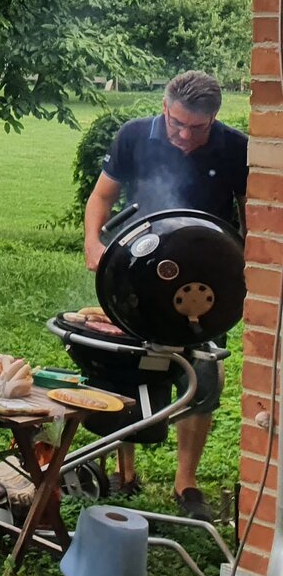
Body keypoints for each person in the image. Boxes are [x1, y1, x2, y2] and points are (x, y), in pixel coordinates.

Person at [82, 70, 249, 521]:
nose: (185, 136)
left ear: (214, 118)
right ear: (164, 108)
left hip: (206, 282)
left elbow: (252, 213)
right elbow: (101, 196)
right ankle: (126, 472)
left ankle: (185, 482)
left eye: (198, 127)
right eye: (177, 123)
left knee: (205, 375)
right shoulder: (135, 135)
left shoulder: (237, 148)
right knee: (125, 365)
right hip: (136, 270)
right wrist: (93, 243)